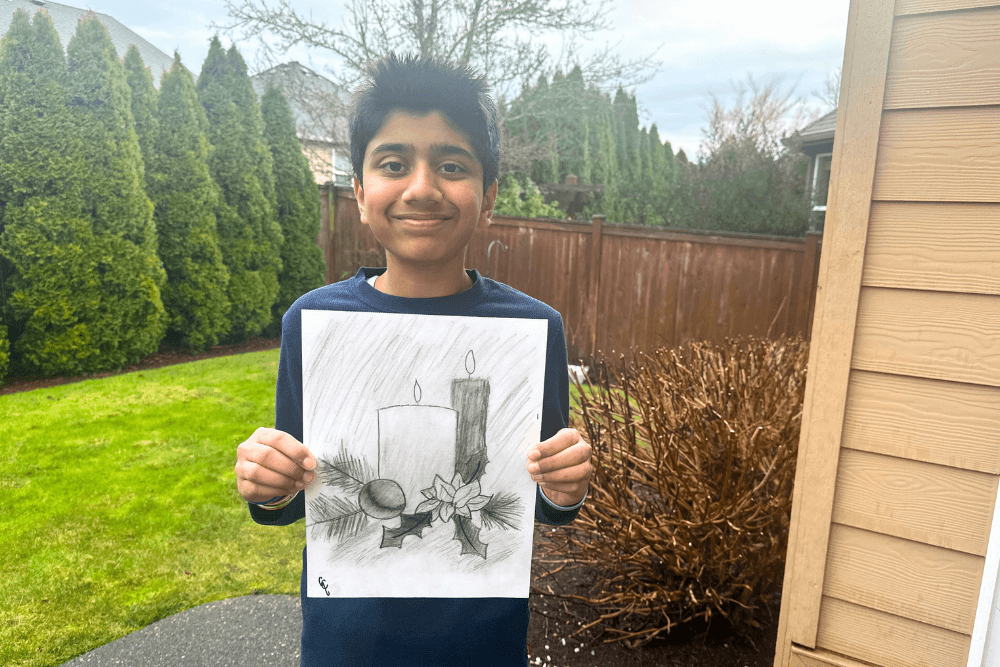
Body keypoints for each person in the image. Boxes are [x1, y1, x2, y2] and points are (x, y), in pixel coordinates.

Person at [234, 53, 593, 666]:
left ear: (489, 195)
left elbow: (536, 502)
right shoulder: (314, 323)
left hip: (481, 643)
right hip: (348, 644)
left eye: (452, 166)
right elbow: (300, 492)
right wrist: (267, 485)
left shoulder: (534, 329)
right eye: (394, 164)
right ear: (359, 191)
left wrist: (564, 488)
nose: (422, 188)